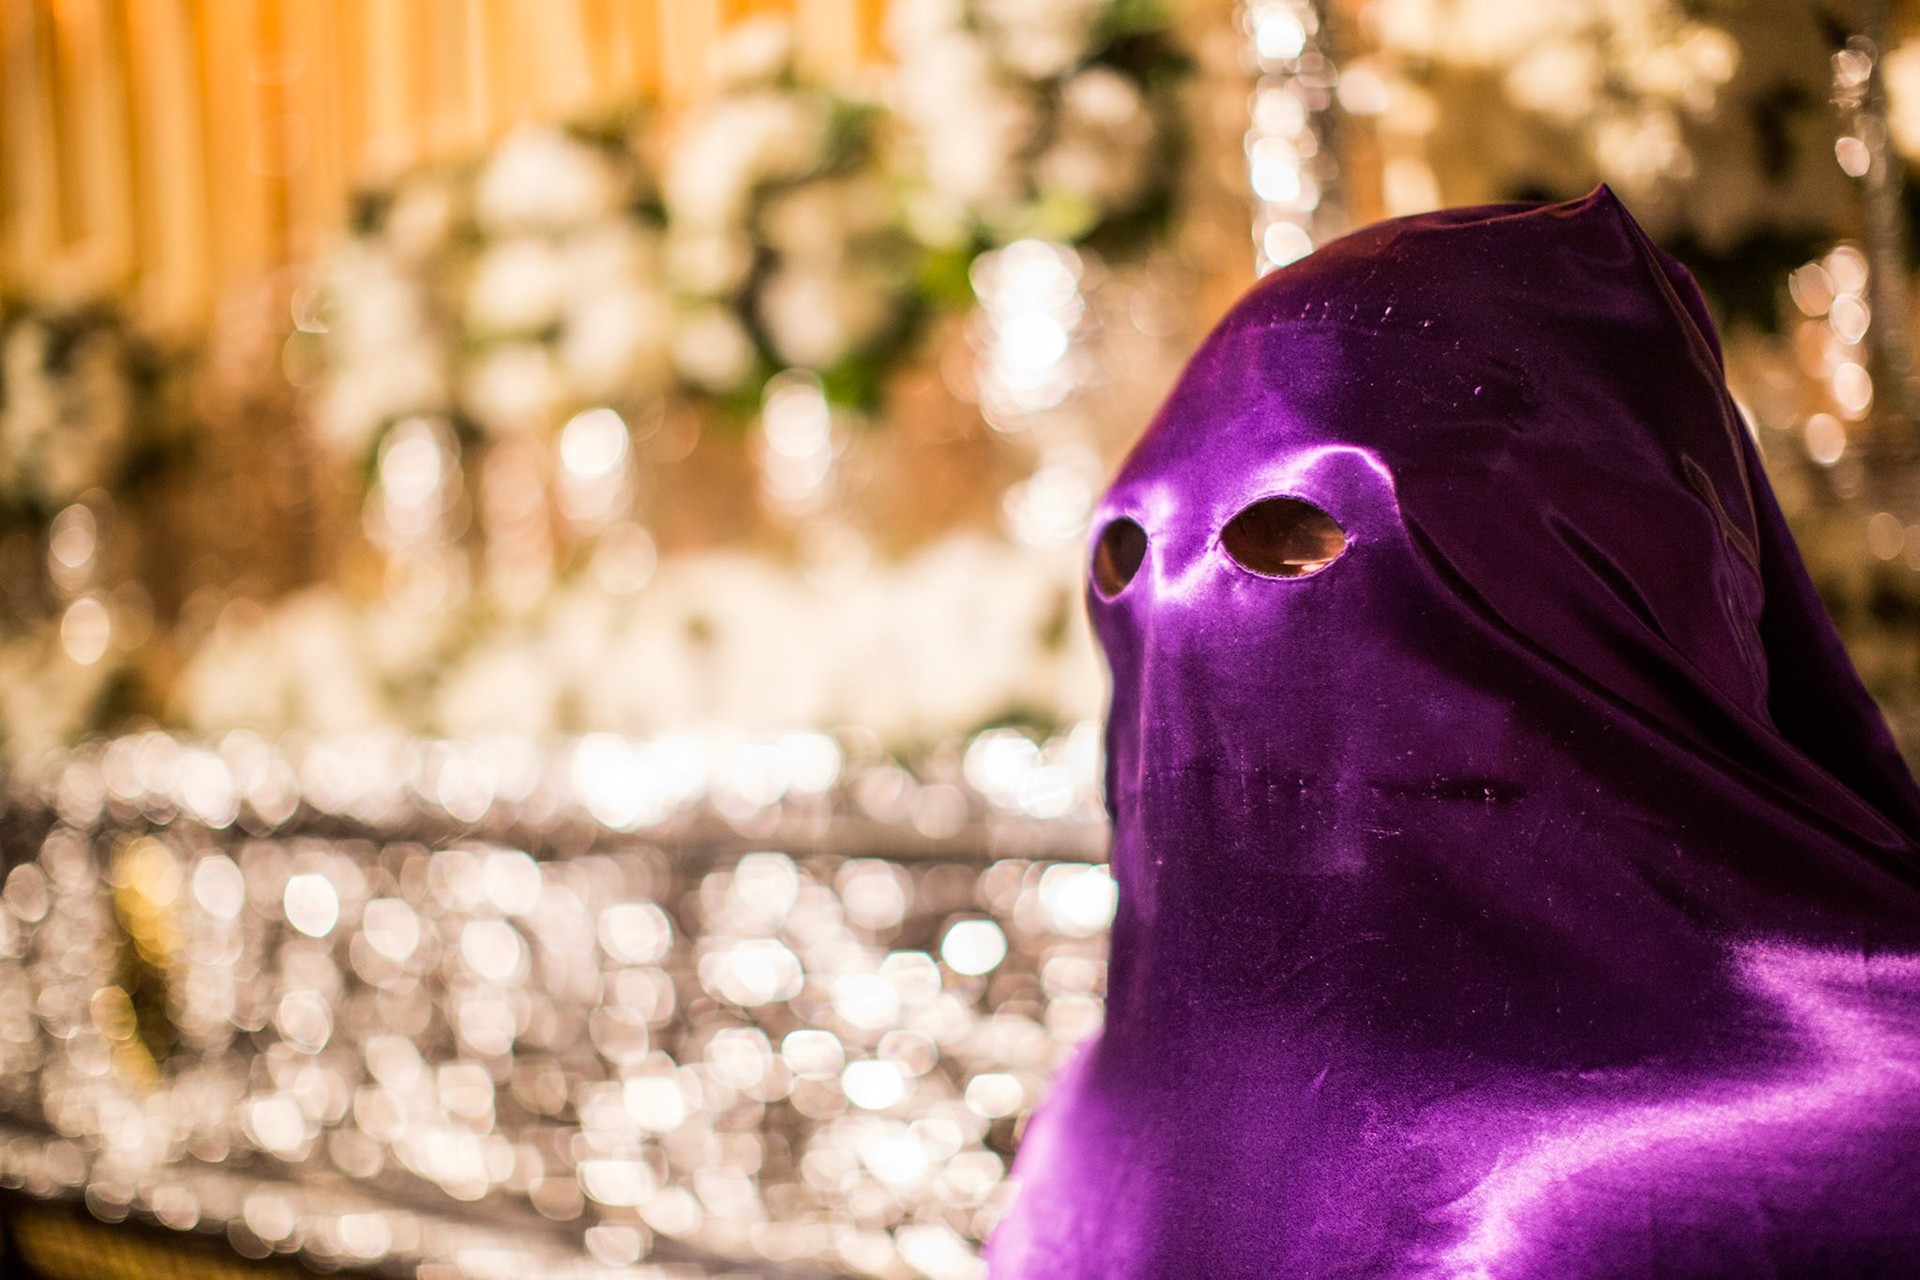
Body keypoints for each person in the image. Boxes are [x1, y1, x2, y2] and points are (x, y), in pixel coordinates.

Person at [987, 188, 1920, 1278]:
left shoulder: (1856, 1109)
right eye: (1130, 560)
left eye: (1301, 535)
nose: (1194, 610)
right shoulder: (1089, 1133)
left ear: (1601, 572)